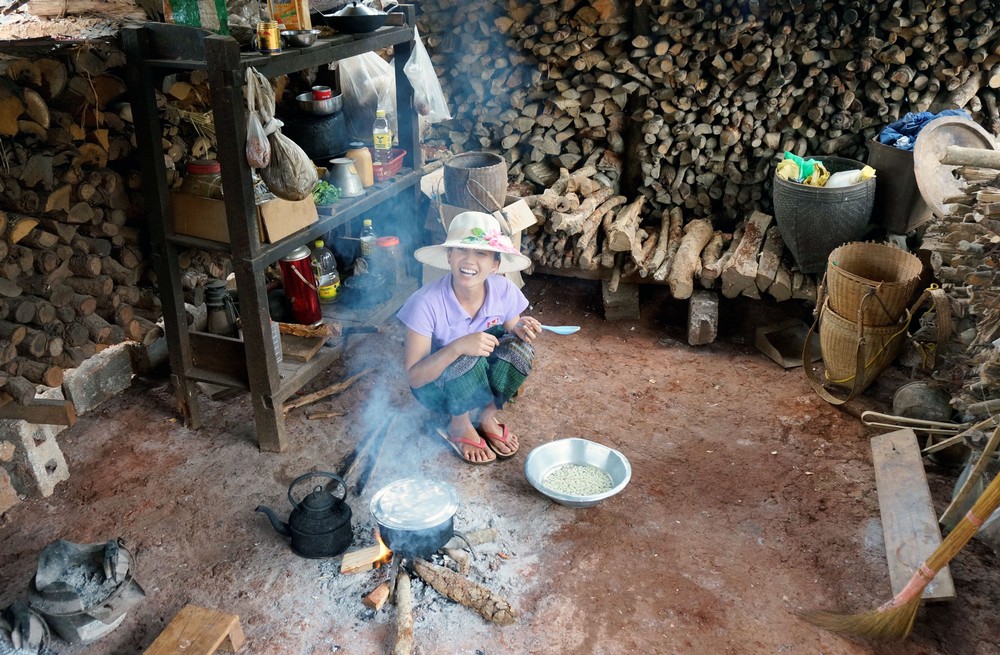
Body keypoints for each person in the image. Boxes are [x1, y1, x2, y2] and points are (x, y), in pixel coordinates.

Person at [397, 211, 541, 464]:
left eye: (481, 253)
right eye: (462, 250)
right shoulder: (425, 303)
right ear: (449, 256)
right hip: (436, 389)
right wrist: (457, 347)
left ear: (495, 265)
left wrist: (521, 327)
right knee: (467, 354)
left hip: (478, 381)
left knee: (521, 349)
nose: (469, 260)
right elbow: (414, 377)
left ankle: (486, 416)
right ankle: (459, 424)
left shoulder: (503, 289)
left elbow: (513, 330)